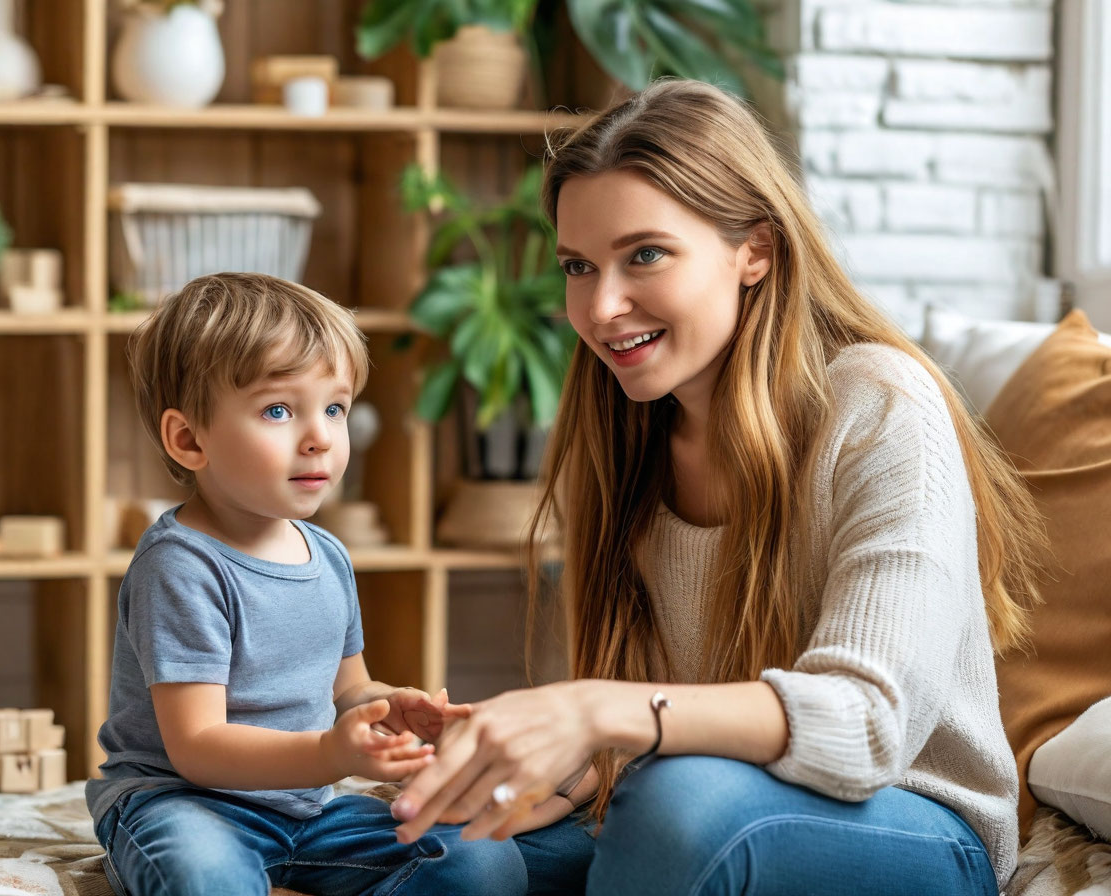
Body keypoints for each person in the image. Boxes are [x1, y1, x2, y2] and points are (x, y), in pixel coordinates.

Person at [390, 80, 1047, 896]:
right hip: (709, 798)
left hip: (915, 825)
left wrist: (594, 708)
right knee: (456, 848)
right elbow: (669, 725)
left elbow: (869, 727)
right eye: (577, 266)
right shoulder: (626, 436)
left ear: (755, 251)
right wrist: (555, 768)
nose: (601, 306)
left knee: (676, 805)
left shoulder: (880, 406)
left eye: (646, 255)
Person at [85, 272, 531, 896]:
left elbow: (349, 687)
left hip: (308, 809)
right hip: (184, 802)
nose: (320, 435)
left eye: (334, 407)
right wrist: (329, 754)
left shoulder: (327, 554)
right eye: (278, 410)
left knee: (485, 860)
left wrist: (390, 706)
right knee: (203, 875)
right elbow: (197, 746)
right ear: (189, 440)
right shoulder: (181, 566)